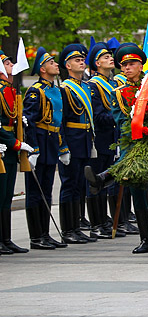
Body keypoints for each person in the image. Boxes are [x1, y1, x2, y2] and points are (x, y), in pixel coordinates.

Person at [86, 43, 148, 253]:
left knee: (139, 180)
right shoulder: (119, 93)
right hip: (131, 141)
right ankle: (146, 240)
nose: (126, 68)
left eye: (132, 64)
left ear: (141, 65)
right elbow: (120, 120)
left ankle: (103, 178)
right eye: (124, 65)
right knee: (136, 187)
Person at [23, 48, 69, 250]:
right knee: (35, 191)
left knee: (47, 190)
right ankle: (36, 237)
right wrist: (32, 148)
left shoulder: (55, 89)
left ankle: (45, 234)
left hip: (51, 141)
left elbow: (59, 121)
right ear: (42, 69)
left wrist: (63, 147)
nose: (56, 65)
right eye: (51, 63)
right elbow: (28, 122)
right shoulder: (36, 91)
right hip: (39, 142)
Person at [57, 44, 99, 245]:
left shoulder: (85, 86)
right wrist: (63, 147)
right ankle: (68, 229)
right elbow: (60, 121)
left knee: (80, 185)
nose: (81, 62)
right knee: (69, 184)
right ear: (68, 65)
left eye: (82, 59)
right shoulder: (65, 89)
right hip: (72, 141)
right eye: (76, 60)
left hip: (84, 141)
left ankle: (77, 226)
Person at [0, 51, 34, 254]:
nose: (12, 64)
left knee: (6, 196)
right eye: (7, 62)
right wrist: (14, 142)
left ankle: (6, 238)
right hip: (4, 147)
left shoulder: (10, 89)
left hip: (10, 148)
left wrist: (19, 123)